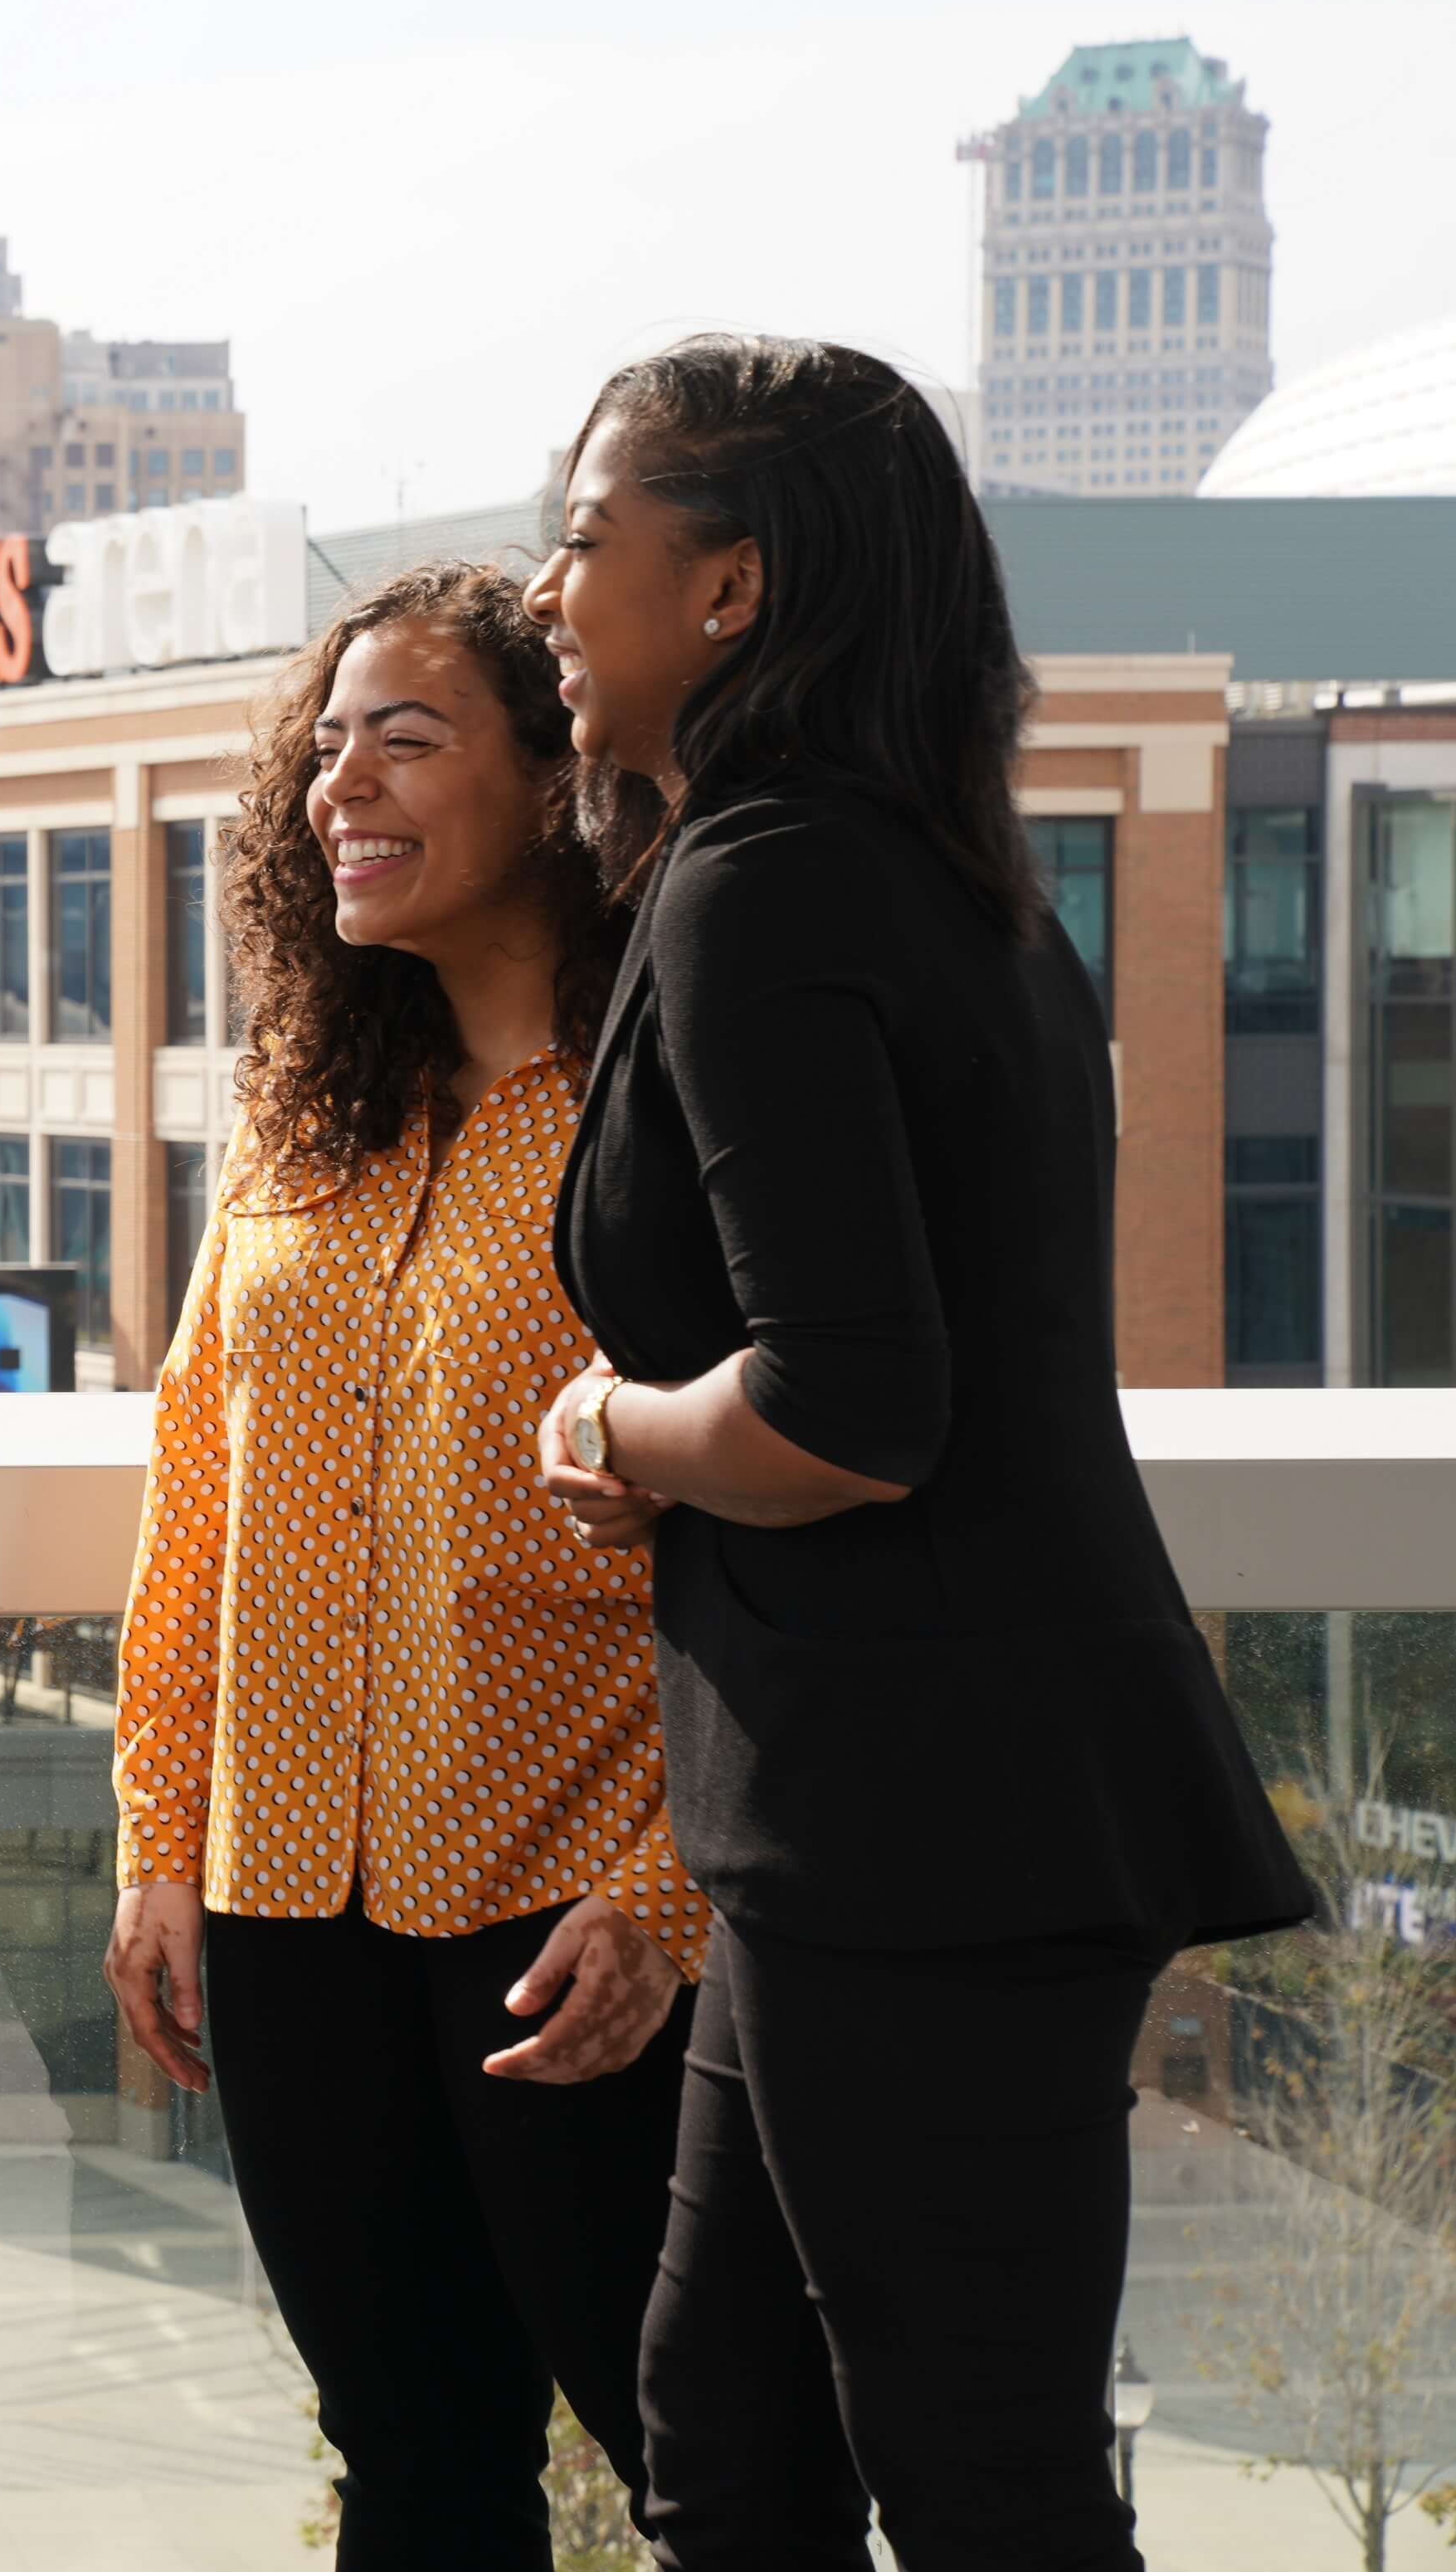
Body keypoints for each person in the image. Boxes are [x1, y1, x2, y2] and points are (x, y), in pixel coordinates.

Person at [528, 335, 1311, 2570]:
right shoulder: (921, 871)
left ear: (738, 588)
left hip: (926, 1830)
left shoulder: (768, 886)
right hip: (869, 1829)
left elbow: (855, 1408)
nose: (553, 593)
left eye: (592, 538)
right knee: (729, 2448)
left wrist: (620, 1428)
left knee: (982, 2487)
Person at [104, 562, 694, 2562]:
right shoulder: (298, 1119)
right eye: (326, 742)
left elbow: (784, 1549)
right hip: (283, 1913)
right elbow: (201, 1498)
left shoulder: (663, 1109)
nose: (339, 782)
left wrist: (665, 1897)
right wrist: (157, 1840)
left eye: (409, 735)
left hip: (568, 1912)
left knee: (701, 2457)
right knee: (412, 2472)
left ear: (550, 782)